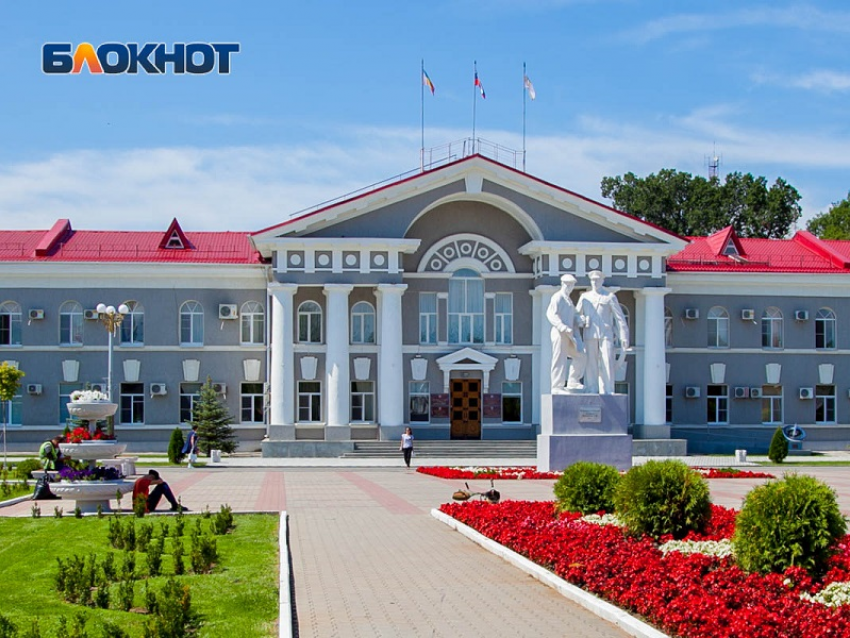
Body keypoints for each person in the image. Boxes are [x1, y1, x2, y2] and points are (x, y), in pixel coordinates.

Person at [576, 270, 629, 395]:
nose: (595, 282)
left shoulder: (609, 297)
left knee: (607, 361)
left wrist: (624, 337)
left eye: (597, 280)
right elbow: (576, 316)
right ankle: (592, 388)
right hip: (590, 334)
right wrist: (580, 320)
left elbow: (620, 318)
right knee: (591, 363)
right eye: (593, 280)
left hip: (606, 334)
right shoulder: (585, 297)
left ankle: (608, 389)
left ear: (602, 281)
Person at [546, 274, 586, 393]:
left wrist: (579, 319)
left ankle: (573, 381)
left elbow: (573, 316)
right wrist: (561, 326)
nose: (569, 287)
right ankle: (557, 387)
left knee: (581, 355)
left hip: (570, 335)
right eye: (567, 285)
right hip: (560, 333)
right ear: (562, 284)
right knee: (560, 359)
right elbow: (551, 314)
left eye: (571, 285)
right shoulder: (557, 297)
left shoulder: (568, 300)